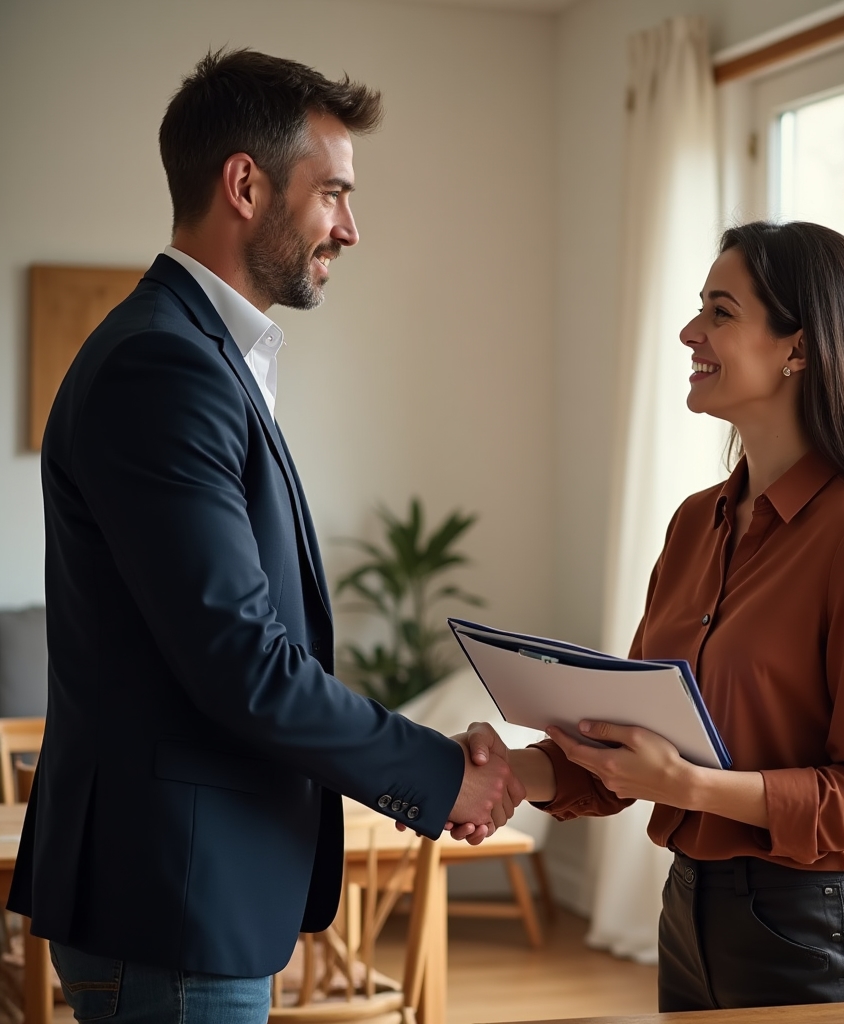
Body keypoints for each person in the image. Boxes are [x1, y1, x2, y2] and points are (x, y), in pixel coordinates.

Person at [9, 48, 523, 1024]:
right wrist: (442, 771)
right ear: (244, 183)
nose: (351, 227)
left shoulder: (196, 356)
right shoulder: (163, 366)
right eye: (332, 191)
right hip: (170, 901)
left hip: (192, 894)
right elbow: (241, 661)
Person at [502, 220, 844, 1009]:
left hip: (812, 931)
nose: (688, 332)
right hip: (689, 913)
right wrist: (508, 773)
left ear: (796, 349)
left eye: (721, 312)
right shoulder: (695, 523)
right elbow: (628, 747)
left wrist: (694, 788)